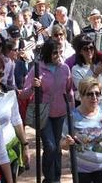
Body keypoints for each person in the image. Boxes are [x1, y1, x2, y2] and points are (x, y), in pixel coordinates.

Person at [19, 39, 74, 183]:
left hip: (60, 112)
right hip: (44, 113)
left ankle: (56, 177)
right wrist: (33, 86)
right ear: (48, 53)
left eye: (60, 52)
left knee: (57, 148)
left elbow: (69, 91)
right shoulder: (37, 69)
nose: (58, 55)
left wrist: (72, 110)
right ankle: (49, 179)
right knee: (50, 147)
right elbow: (23, 94)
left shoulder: (64, 68)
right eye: (55, 52)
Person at [61, 77, 102, 183]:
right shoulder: (72, 116)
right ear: (81, 96)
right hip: (81, 171)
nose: (95, 97)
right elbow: (62, 145)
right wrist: (67, 142)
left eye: (97, 93)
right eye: (90, 94)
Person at [71, 34, 102, 107]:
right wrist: (95, 74)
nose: (89, 51)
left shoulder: (99, 64)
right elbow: (83, 89)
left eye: (91, 48)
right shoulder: (76, 69)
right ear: (80, 51)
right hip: (89, 106)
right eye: (85, 49)